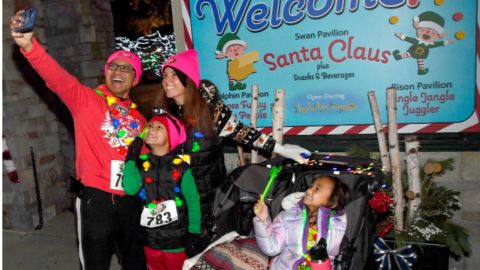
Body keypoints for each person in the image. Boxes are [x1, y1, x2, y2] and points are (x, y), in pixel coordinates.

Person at [10, 11, 147, 269]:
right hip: (96, 201)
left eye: (126, 68)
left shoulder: (140, 119)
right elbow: (57, 79)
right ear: (106, 72)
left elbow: (149, 158)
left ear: (135, 78)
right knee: (95, 264)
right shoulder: (86, 100)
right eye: (113, 66)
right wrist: (29, 45)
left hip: (130, 200)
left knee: (135, 262)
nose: (118, 70)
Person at [154, 49, 311, 236]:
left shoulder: (211, 111)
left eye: (175, 74)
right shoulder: (163, 114)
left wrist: (282, 149)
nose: (167, 80)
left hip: (208, 197)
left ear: (188, 78)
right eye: (165, 75)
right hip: (176, 194)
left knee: (204, 243)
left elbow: (244, 133)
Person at [122, 108, 202, 270]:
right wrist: (130, 159)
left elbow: (193, 200)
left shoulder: (181, 167)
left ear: (171, 136)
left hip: (176, 241)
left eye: (159, 127)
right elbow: (130, 189)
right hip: (149, 240)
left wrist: (194, 232)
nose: (152, 129)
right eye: (150, 126)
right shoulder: (140, 163)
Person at [253, 175, 350, 270]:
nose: (308, 190)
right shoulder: (288, 217)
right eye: (311, 186)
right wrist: (263, 220)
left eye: (317, 189)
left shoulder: (338, 226)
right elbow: (271, 248)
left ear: (333, 202)